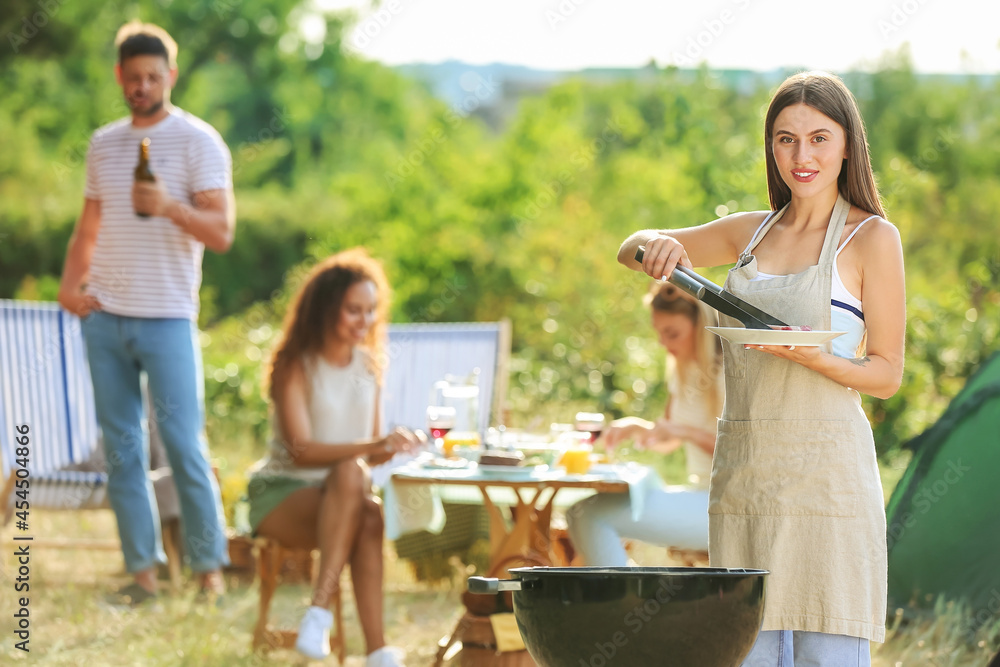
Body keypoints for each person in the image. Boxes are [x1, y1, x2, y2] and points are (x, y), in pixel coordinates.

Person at [618, 71, 905, 666]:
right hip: (747, 478)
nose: (803, 156)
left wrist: (818, 358)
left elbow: (887, 374)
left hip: (828, 486)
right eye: (786, 140)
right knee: (746, 652)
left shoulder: (872, 238)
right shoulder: (751, 233)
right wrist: (656, 244)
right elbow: (632, 247)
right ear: (771, 147)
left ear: (848, 144)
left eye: (820, 138)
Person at [57, 21, 236, 603]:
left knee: (184, 445)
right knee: (123, 450)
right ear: (119, 77)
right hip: (105, 318)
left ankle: (209, 573)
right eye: (132, 78)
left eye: (152, 77)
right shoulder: (104, 144)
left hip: (167, 318)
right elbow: (89, 226)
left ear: (171, 76)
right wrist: (69, 287)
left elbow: (223, 232)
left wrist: (169, 206)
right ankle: (143, 577)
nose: (142, 86)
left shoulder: (199, 142)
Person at [247, 248, 421, 666]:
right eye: (353, 310)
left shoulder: (369, 366)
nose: (364, 321)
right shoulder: (294, 365)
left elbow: (371, 456)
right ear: (327, 309)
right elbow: (301, 451)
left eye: (371, 311)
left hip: (342, 495)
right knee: (353, 482)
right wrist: (372, 445)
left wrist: (391, 445)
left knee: (367, 509)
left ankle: (354, 638)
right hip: (284, 494)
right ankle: (335, 620)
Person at [566, 281, 723, 565]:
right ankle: (623, 592)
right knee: (580, 512)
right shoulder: (683, 370)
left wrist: (684, 432)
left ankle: (622, 600)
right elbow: (669, 439)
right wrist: (639, 428)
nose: (663, 343)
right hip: (698, 492)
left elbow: (741, 454)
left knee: (590, 515)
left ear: (700, 327)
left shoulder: (728, 373)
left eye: (672, 333)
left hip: (725, 504)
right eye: (659, 333)